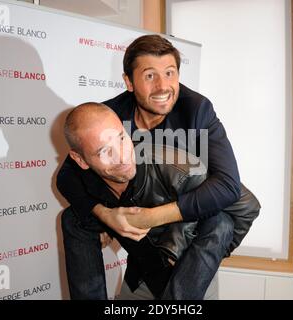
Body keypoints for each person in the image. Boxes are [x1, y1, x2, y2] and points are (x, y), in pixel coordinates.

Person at [57, 34, 260, 300]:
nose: (163, 86)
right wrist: (104, 214)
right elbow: (67, 176)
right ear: (129, 82)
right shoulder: (112, 115)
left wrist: (154, 218)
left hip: (187, 242)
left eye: (170, 73)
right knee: (74, 218)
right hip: (140, 244)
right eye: (150, 75)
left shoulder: (196, 111)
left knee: (220, 221)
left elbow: (230, 188)